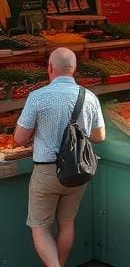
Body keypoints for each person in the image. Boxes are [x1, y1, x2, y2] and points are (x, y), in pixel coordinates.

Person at [15, 48, 106, 267]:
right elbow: (99, 136)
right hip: (77, 172)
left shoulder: (38, 97)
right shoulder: (89, 97)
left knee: (40, 227)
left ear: (49, 68)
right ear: (75, 69)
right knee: (66, 223)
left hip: (46, 172)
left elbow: (19, 138)